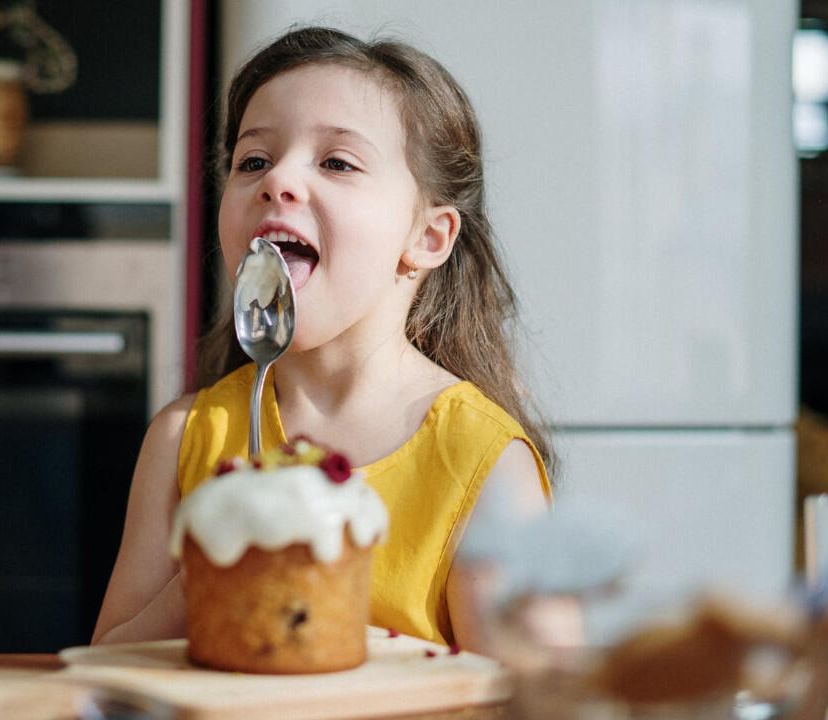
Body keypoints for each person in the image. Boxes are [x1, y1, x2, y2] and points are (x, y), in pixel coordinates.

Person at [91, 25, 553, 651]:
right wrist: (211, 575)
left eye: (337, 162)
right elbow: (105, 674)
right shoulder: (183, 440)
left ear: (428, 238)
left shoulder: (484, 463)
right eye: (252, 160)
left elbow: (537, 697)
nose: (276, 180)